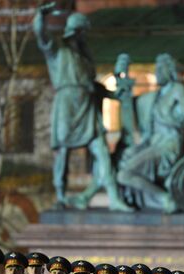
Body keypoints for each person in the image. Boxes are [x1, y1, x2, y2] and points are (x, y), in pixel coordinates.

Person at [33, 5, 132, 212]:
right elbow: (41, 36)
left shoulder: (85, 59)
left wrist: (116, 95)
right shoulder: (57, 50)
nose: (85, 36)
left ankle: (114, 198)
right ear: (76, 31)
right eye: (83, 32)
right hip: (67, 107)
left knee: (102, 151)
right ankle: (60, 196)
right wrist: (41, 15)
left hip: (87, 108)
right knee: (62, 153)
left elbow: (94, 88)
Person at [116, 53, 184, 212]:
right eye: (156, 69)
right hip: (152, 144)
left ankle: (165, 198)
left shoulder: (179, 90)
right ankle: (156, 199)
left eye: (160, 69)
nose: (157, 73)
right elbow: (132, 108)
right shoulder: (155, 97)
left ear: (169, 70)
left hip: (168, 146)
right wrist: (124, 88)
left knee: (125, 174)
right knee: (123, 160)